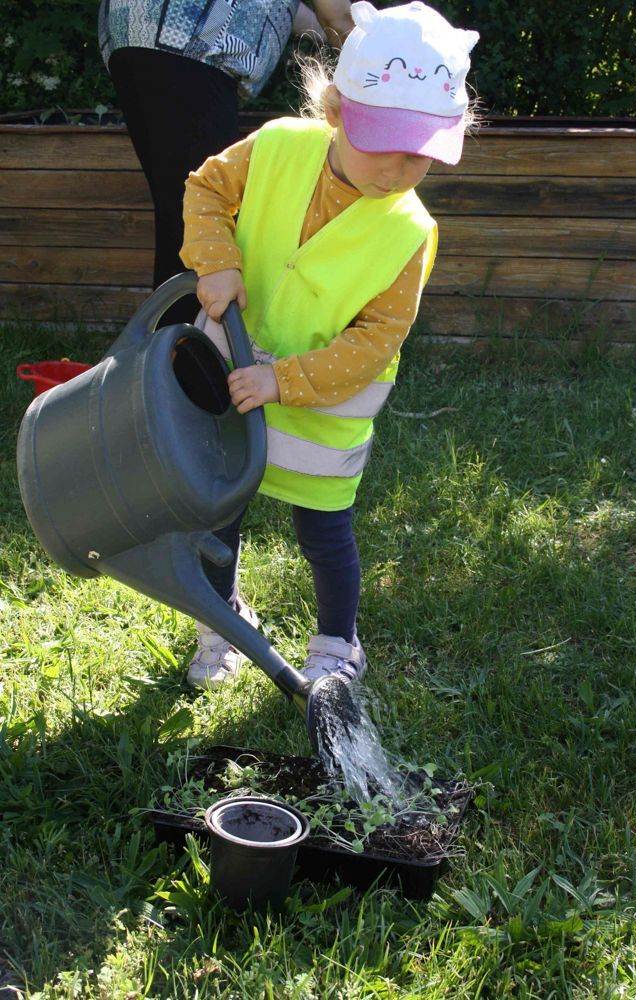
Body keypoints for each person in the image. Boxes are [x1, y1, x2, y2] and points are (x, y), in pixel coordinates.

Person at [180, 0, 479, 689]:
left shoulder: (408, 231)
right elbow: (206, 189)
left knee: (323, 528)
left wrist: (283, 381)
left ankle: (337, 643)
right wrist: (215, 257)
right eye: (387, 143)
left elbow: (376, 339)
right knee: (219, 507)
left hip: (325, 402)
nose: (401, 168)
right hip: (229, 360)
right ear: (337, 111)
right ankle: (221, 619)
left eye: (422, 154)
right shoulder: (278, 146)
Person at [98, 0, 353, 326]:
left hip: (140, 30)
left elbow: (300, 13)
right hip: (190, 34)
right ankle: (185, 367)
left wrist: (328, 29)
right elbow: (336, 13)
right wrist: (373, 61)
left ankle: (166, 359)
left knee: (181, 219)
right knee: (204, 220)